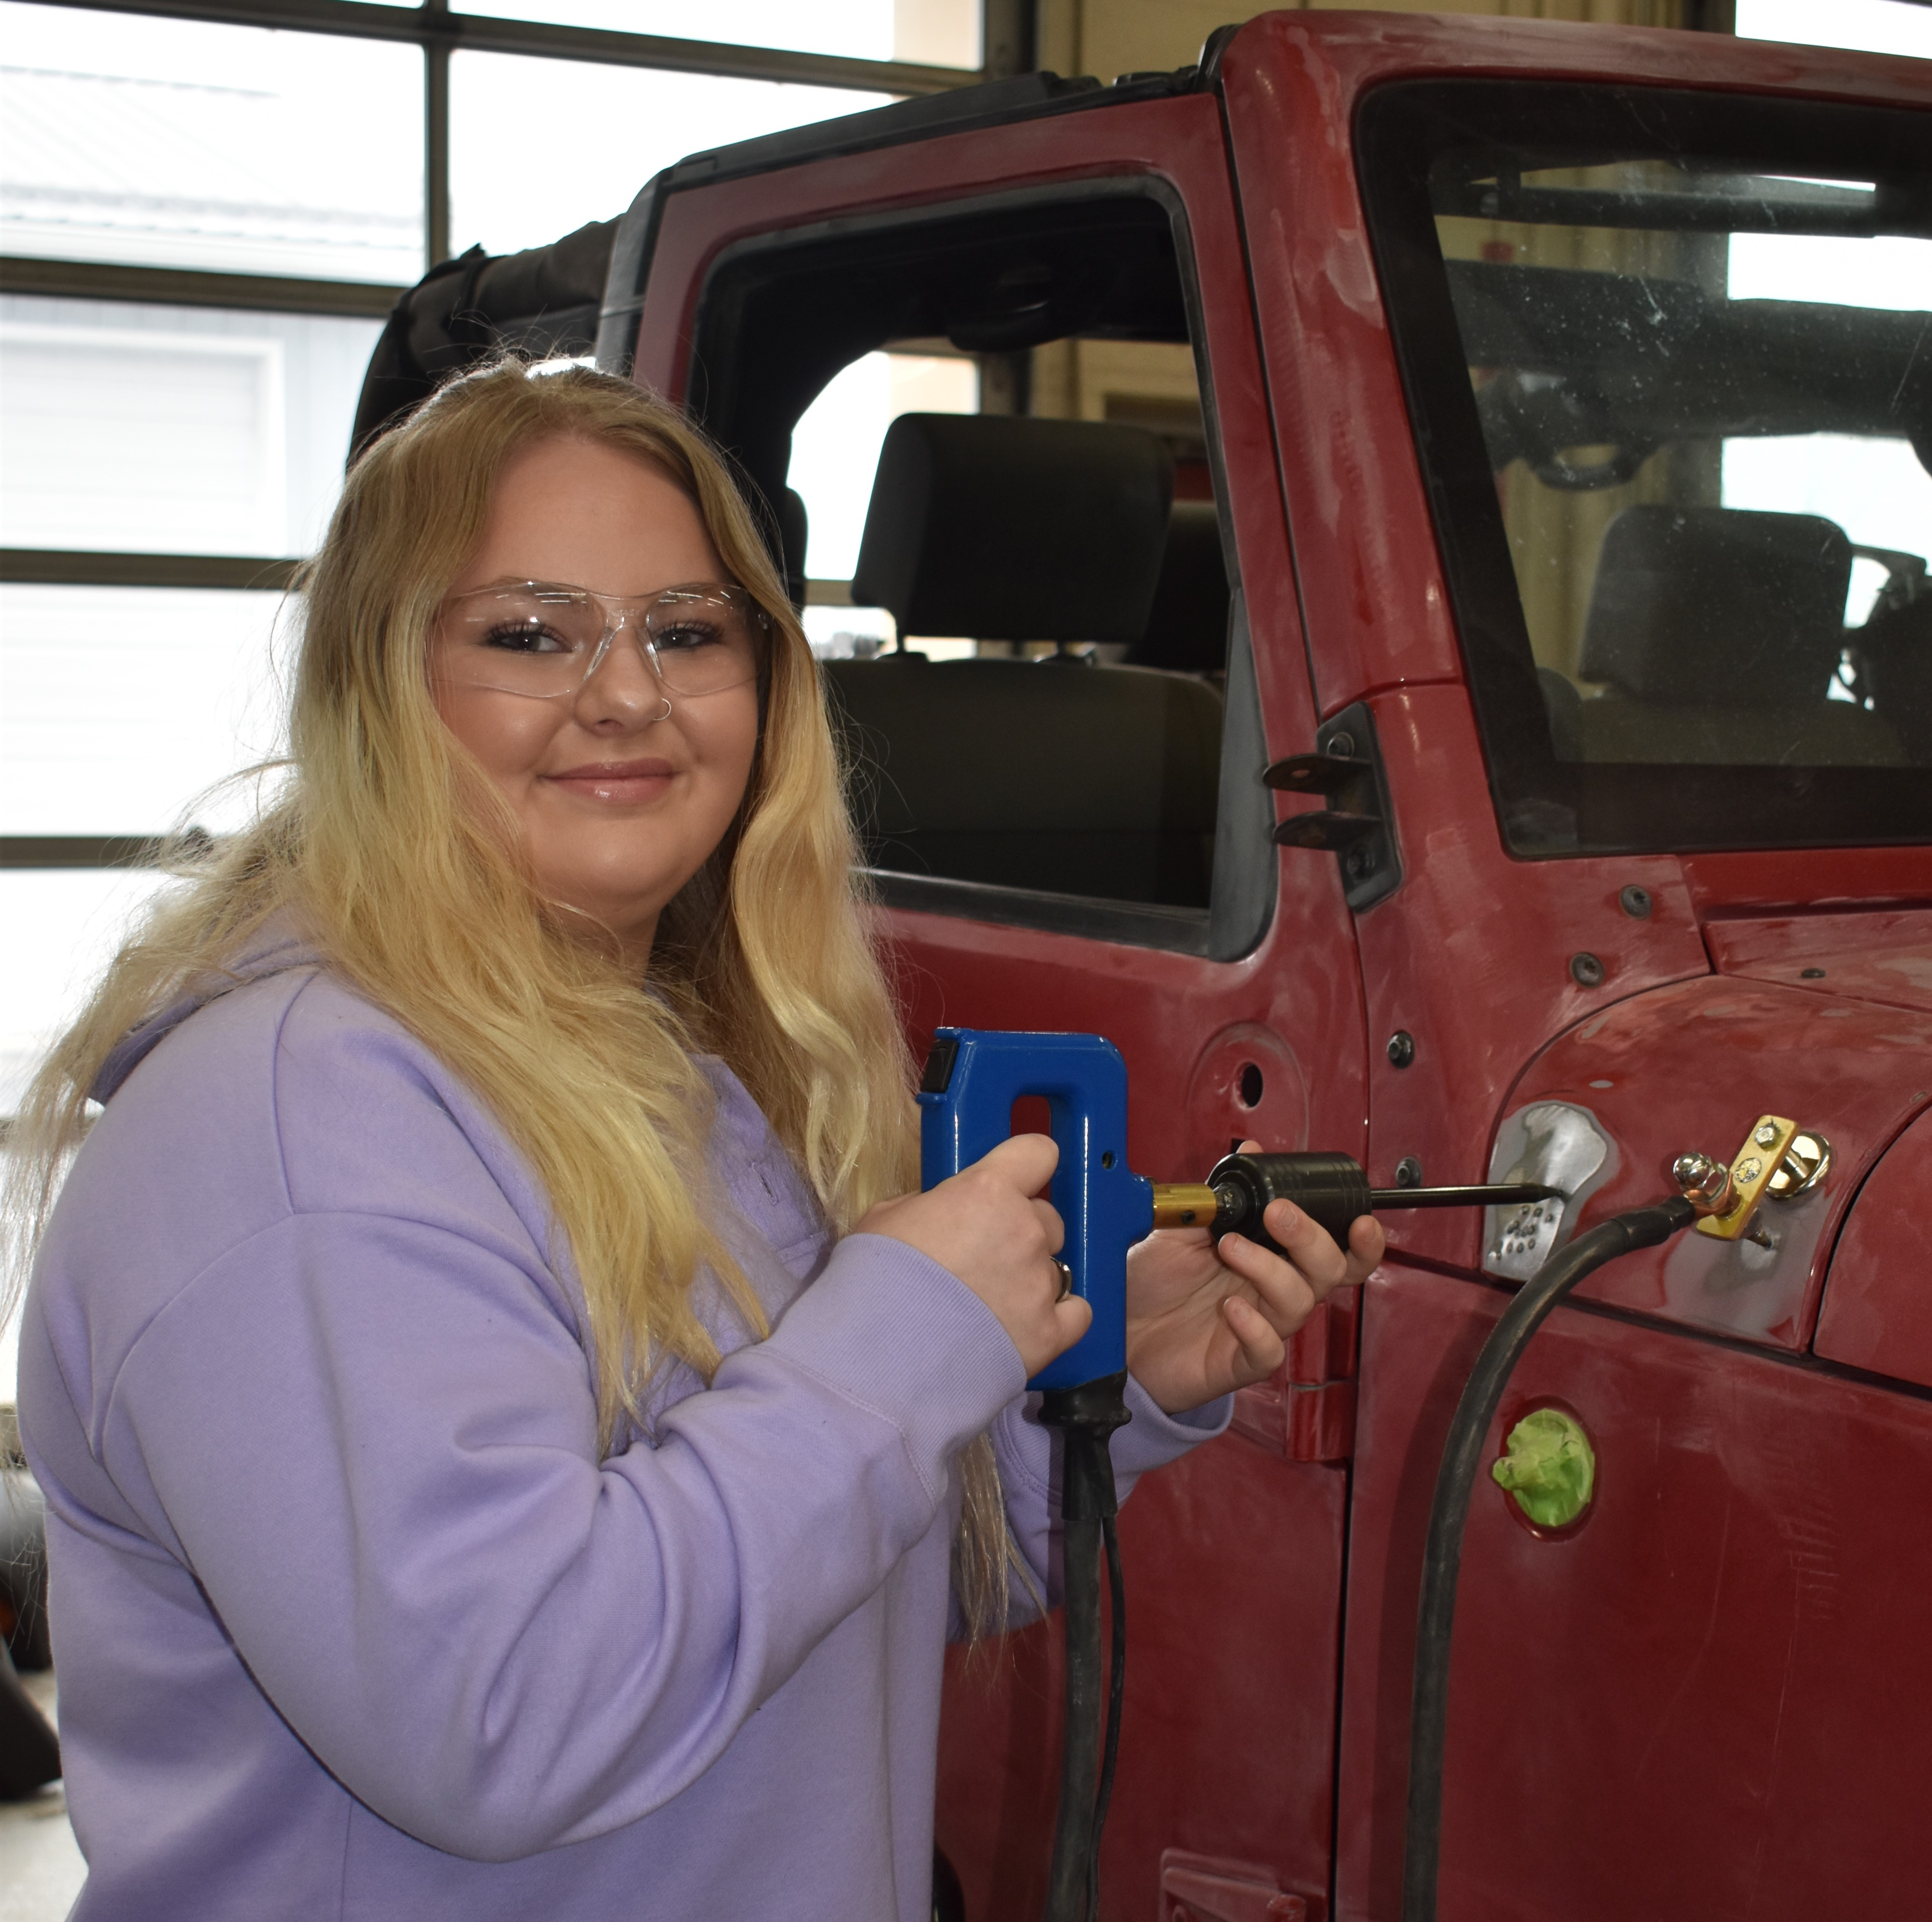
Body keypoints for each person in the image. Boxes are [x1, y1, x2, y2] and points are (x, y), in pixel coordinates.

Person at [7, 361, 1383, 1920]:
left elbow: (797, 1600)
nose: (628, 693)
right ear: (381, 687)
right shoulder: (301, 1124)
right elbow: (509, 1713)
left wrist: (1095, 1383)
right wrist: (899, 1338)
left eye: (686, 629)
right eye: (530, 633)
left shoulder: (665, 1065)